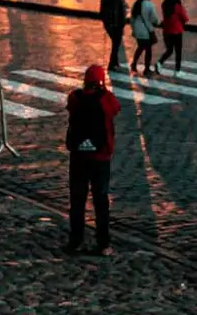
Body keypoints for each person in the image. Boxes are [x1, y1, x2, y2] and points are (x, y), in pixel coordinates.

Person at [64, 65, 121, 257]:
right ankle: (103, 243)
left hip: (79, 156)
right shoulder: (106, 99)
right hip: (101, 157)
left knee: (77, 199)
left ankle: (76, 241)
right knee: (101, 200)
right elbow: (116, 109)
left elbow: (70, 107)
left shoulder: (75, 97)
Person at [129, 0, 160, 75]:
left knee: (140, 47)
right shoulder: (149, 5)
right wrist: (156, 23)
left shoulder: (136, 4)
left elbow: (132, 19)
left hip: (137, 30)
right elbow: (154, 18)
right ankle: (146, 68)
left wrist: (134, 29)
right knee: (148, 50)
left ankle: (134, 64)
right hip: (146, 31)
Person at [156, 0, 188, 73]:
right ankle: (177, 70)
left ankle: (160, 62)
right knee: (178, 52)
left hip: (166, 31)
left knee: (169, 50)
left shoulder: (164, 5)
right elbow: (185, 18)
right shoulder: (178, 7)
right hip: (177, 31)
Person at [99, 0, 127, 71]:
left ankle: (115, 62)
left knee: (115, 43)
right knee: (116, 44)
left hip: (108, 24)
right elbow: (122, 13)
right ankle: (112, 64)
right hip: (117, 24)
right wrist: (122, 25)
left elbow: (101, 12)